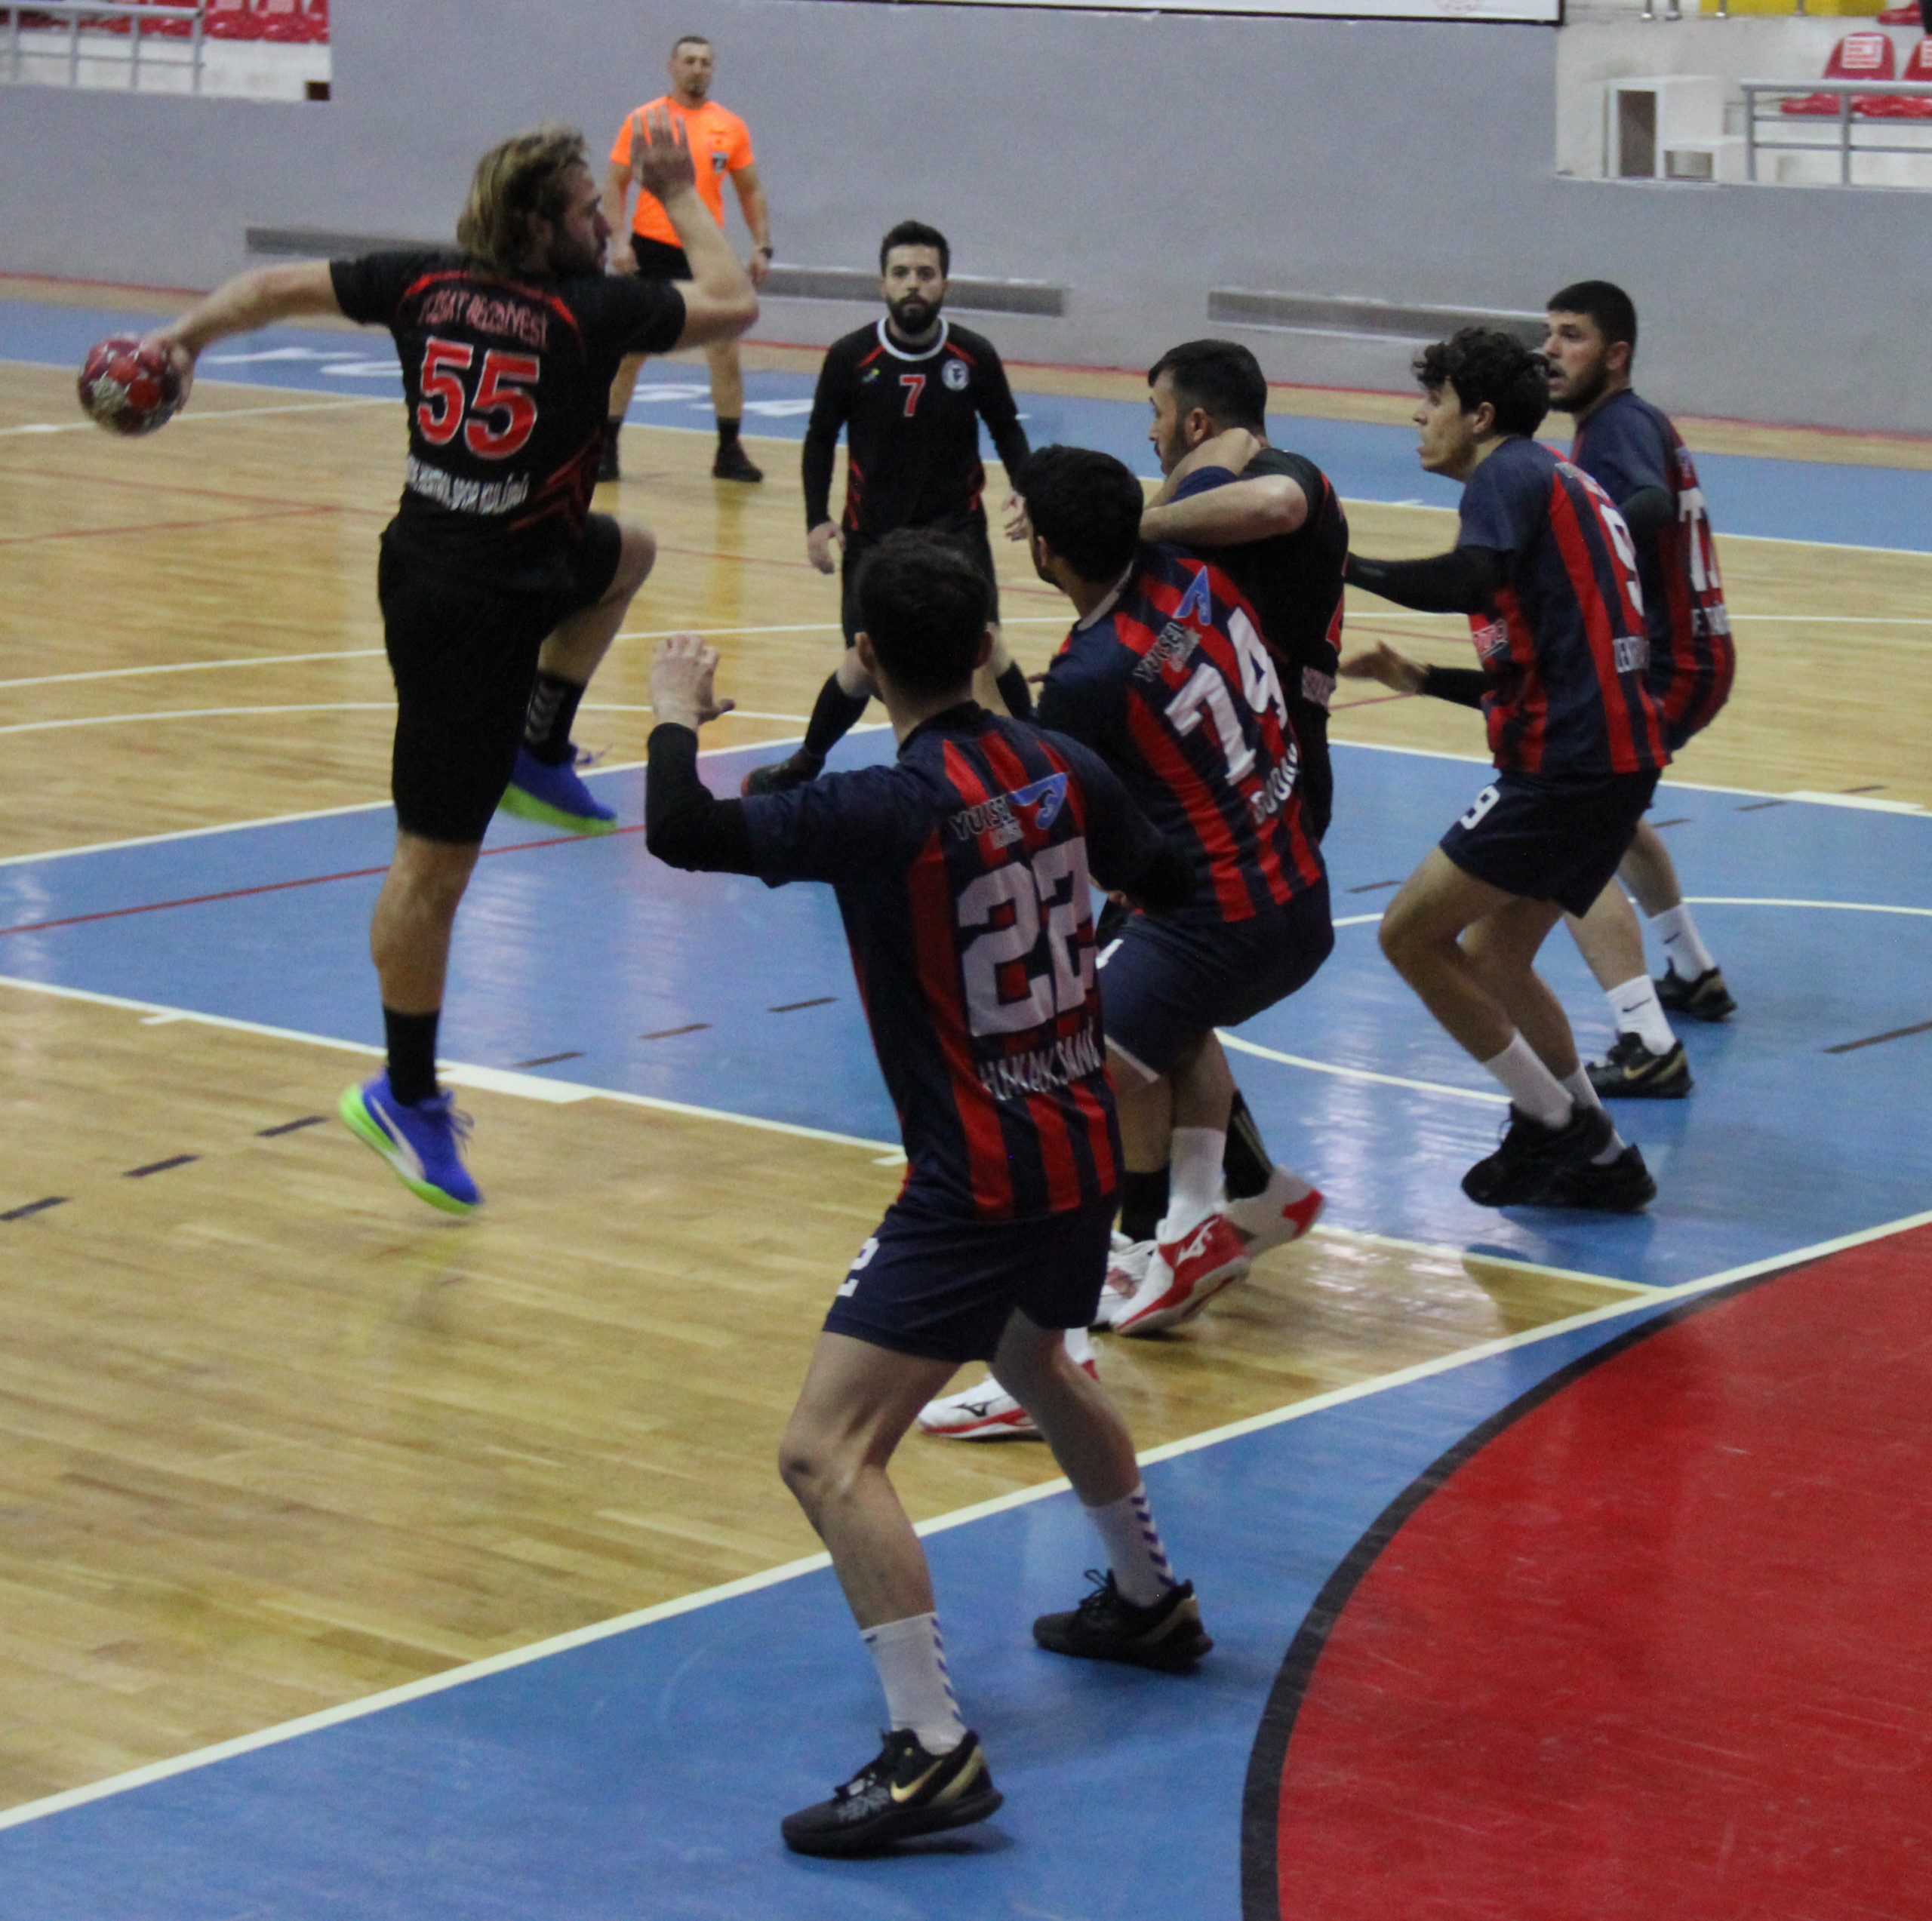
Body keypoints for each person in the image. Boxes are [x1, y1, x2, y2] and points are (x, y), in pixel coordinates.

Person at [644, 532, 1211, 1858]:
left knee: (825, 1453)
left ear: (864, 656)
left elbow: (680, 829)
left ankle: (932, 1747)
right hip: (1078, 1136)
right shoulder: (1062, 764)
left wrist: (674, 713)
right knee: (1036, 1359)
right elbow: (1174, 883)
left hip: (975, 1177)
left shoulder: (882, 807)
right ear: (988, 643)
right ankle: (1149, 1597)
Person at [142, 117, 757, 1213]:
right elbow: (734, 301)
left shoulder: (421, 282)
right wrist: (680, 190)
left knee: (630, 550)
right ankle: (406, 1092)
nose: (606, 222)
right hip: (467, 610)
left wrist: (181, 342)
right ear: (538, 226)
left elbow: (271, 288)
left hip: (479, 560)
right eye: (589, 209)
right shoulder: (590, 310)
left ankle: (539, 742)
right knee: (432, 870)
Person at [1340, 327, 1661, 1212]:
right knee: (1494, 957)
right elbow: (1550, 658)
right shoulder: (1555, 485)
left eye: (1434, 400)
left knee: (1408, 935)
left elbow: (1467, 577)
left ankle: (1555, 1125)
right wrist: (1422, 678)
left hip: (1566, 767)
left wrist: (1345, 565)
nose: (1419, 416)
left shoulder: (1507, 475)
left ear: (1479, 416)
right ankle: (1601, 1156)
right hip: (1614, 761)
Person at [1027, 448, 1331, 1337]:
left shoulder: (1088, 673)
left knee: (1060, 1082)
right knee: (1157, 1013)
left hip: (1218, 919)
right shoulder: (1196, 568)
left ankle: (1135, 1255)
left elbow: (1055, 820)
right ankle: (1202, 1218)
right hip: (1295, 883)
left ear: (1044, 550)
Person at [1134, 339, 1349, 1262]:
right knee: (1162, 993)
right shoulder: (1203, 507)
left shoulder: (1285, 477)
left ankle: (1174, 1224)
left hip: (1272, 773)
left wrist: (1132, 523)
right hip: (1233, 773)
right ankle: (1247, 1193)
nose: (1148, 435)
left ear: (1195, 421)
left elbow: (1276, 503)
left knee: (1146, 988)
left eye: (1155, 415)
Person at [739, 221, 1037, 798]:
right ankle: (806, 762)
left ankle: (1043, 751)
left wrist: (1028, 490)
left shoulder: (973, 354)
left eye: (925, 273)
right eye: (901, 273)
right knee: (866, 659)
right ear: (883, 283)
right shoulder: (851, 357)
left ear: (945, 284)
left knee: (986, 645)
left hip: (956, 534)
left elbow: (1006, 428)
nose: (913, 284)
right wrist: (815, 520)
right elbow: (819, 438)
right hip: (874, 538)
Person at [1546, 280, 1738, 1082]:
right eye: (1549, 333)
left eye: (1571, 335)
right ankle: (1692, 971)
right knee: (1615, 816)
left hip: (1667, 664)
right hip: (1693, 653)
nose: (1551, 349)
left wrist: (1581, 553)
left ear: (1616, 354)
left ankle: (1647, 1044)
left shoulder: (1617, 426)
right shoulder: (1634, 420)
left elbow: (1649, 503)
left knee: (1569, 835)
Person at [600, 34, 772, 484]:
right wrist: (619, 241)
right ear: (672, 67)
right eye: (690, 61)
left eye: (706, 62)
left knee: (725, 354)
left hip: (704, 254)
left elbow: (750, 190)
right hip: (651, 250)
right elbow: (615, 183)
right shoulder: (645, 120)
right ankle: (605, 448)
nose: (698, 68)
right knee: (629, 354)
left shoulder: (730, 127)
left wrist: (761, 245)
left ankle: (729, 451)